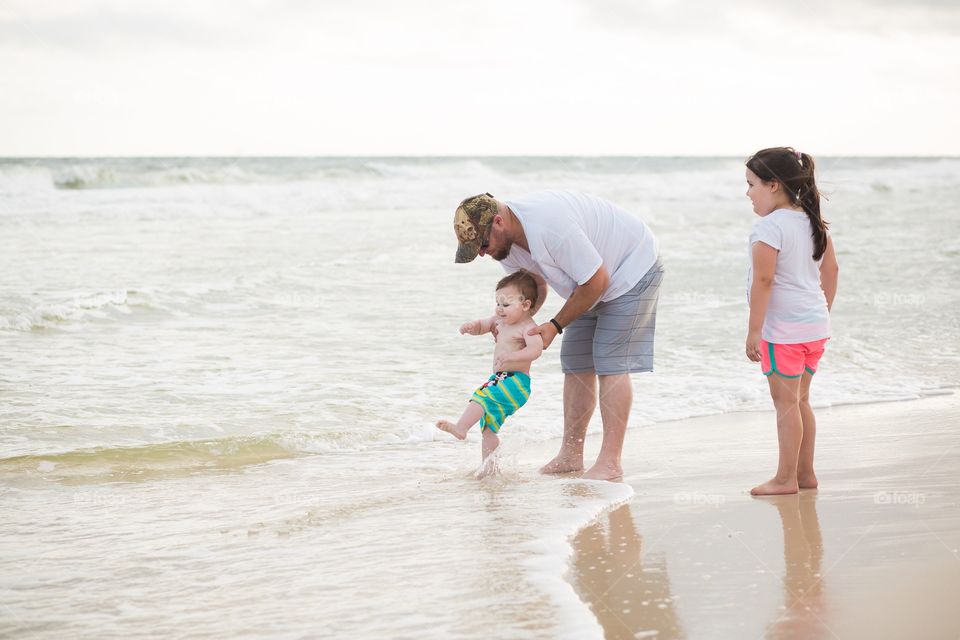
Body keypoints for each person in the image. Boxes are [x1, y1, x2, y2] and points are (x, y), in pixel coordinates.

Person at [452, 190, 663, 481]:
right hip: (586, 280)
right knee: (575, 361)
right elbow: (534, 286)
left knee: (609, 361)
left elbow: (597, 281)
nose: (482, 253)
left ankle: (610, 462)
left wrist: (554, 325)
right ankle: (571, 455)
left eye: (483, 244)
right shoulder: (508, 246)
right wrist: (518, 328)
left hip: (631, 267)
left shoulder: (550, 226)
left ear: (498, 222)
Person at [744, 147, 840, 496]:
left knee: (786, 405)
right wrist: (821, 313)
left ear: (773, 185)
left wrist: (754, 331)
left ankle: (785, 479)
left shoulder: (769, 228)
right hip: (815, 330)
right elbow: (831, 271)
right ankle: (805, 474)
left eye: (751, 184)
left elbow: (764, 280)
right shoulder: (813, 222)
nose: (747, 193)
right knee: (800, 401)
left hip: (783, 333)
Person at [435, 271, 544, 474]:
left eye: (506, 304)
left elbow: (536, 350)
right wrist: (472, 327)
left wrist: (512, 356)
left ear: (526, 305)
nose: (500, 309)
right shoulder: (500, 321)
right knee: (488, 428)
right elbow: (483, 325)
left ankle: (461, 428)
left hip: (516, 382)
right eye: (498, 303)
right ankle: (490, 469)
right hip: (501, 379)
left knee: (482, 396)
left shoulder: (528, 328)